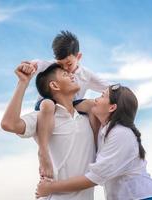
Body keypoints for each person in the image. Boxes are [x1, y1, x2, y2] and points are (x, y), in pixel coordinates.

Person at [36, 84, 152, 200]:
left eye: (102, 96)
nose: (96, 99)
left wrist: (51, 188)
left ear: (112, 108)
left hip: (144, 197)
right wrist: (49, 105)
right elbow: (74, 105)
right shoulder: (105, 129)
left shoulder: (121, 134)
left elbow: (94, 177)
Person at [1, 62, 98, 200]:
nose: (72, 76)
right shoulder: (44, 118)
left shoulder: (87, 117)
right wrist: (23, 83)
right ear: (54, 85)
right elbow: (8, 124)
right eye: (65, 74)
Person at [31, 31, 109, 178]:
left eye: (69, 64)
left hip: (71, 104)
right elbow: (38, 63)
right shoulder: (54, 66)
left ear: (78, 57)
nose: (65, 69)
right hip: (48, 102)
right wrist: (30, 66)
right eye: (61, 64)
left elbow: (107, 87)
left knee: (93, 105)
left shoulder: (86, 74)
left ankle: (96, 148)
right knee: (48, 105)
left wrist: (121, 93)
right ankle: (42, 151)